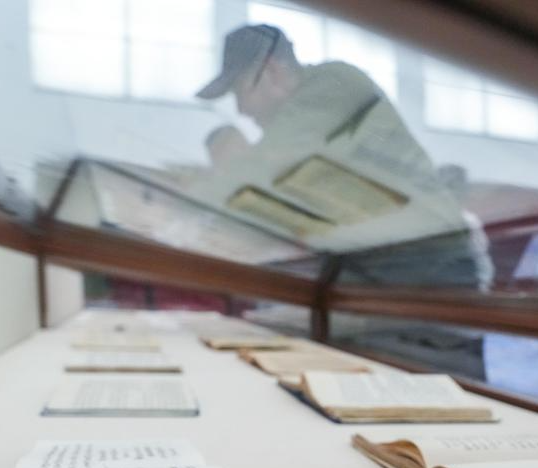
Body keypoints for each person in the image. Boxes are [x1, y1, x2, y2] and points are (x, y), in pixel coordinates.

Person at [195, 24, 492, 290]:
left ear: (271, 71)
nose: (241, 110)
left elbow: (264, 169)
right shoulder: (301, 123)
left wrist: (186, 210)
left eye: (239, 92)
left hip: (431, 263)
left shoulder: (334, 84)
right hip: (382, 265)